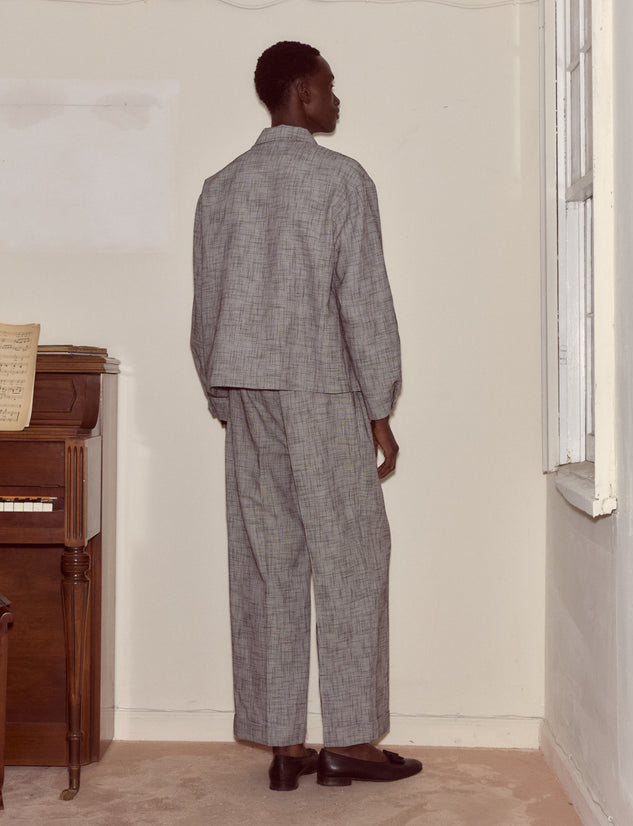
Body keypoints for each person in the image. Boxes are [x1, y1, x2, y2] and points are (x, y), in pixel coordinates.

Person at [191, 40, 422, 791]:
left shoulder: (221, 187)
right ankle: (350, 742)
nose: (336, 98)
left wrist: (224, 398)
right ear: (300, 92)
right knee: (351, 558)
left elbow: (206, 308)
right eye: (328, 86)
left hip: (247, 392)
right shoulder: (341, 180)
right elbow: (364, 301)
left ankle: (284, 745)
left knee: (268, 561)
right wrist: (379, 407)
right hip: (322, 390)